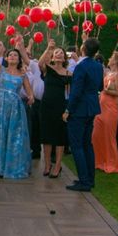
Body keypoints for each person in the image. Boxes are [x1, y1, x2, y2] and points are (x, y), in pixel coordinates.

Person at [0, 27, 34, 179]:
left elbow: (30, 93)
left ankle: (7, 166)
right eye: (10, 55)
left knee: (11, 136)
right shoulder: (0, 69)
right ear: (7, 58)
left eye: (15, 55)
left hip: (15, 109)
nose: (12, 57)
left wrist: (30, 97)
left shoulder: (23, 75)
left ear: (18, 59)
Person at [63, 38, 104, 192]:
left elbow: (76, 91)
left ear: (84, 49)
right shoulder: (98, 66)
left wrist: (68, 110)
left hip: (80, 109)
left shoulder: (81, 66)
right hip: (92, 107)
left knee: (77, 145)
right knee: (87, 144)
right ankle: (89, 179)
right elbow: (100, 86)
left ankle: (84, 181)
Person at [38, 40, 72, 178]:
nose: (58, 54)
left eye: (61, 53)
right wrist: (48, 48)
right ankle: (47, 164)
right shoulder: (48, 70)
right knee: (46, 136)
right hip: (46, 105)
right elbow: (40, 64)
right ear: (52, 57)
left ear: (64, 58)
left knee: (59, 137)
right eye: (56, 53)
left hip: (60, 106)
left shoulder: (69, 74)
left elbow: (70, 94)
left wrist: (67, 110)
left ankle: (57, 165)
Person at [92, 52, 118, 174]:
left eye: (112, 57)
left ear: (116, 61)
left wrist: (105, 90)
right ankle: (99, 161)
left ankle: (112, 163)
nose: (109, 58)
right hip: (101, 106)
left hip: (111, 108)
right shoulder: (107, 72)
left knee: (108, 136)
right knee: (97, 134)